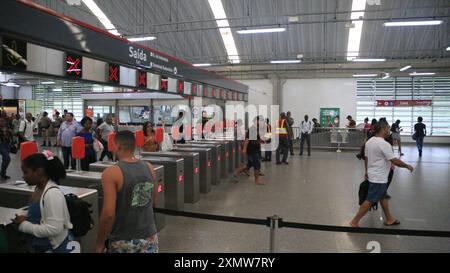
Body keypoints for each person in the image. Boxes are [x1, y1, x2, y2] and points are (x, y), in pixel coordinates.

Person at [96, 130, 159, 253]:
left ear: (117, 146)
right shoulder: (149, 167)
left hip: (123, 240)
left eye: (113, 145)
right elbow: (153, 201)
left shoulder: (111, 173)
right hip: (150, 237)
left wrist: (100, 241)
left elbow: (108, 213)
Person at [350, 121, 414, 228]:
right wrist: (407, 165)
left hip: (373, 174)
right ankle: (354, 221)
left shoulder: (369, 142)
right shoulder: (384, 144)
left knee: (383, 196)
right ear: (383, 129)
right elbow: (394, 160)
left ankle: (389, 219)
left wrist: (366, 171)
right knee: (370, 200)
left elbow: (366, 158)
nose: (389, 131)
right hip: (379, 177)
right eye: (388, 129)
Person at [12, 151, 76, 253]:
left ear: (39, 171)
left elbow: (54, 228)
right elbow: (41, 214)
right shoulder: (38, 188)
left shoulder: (52, 194)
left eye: (26, 172)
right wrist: (28, 218)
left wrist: (24, 225)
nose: (23, 177)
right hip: (41, 246)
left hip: (54, 248)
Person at [234, 117, 265, 185]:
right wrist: (244, 149)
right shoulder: (252, 129)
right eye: (261, 121)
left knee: (250, 164)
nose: (262, 123)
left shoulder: (256, 129)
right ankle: (257, 180)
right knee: (256, 164)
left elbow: (257, 139)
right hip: (252, 150)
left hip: (256, 149)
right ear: (256, 121)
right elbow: (247, 139)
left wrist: (262, 140)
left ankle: (237, 172)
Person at [0, 115, 12, 180]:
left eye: (3, 121)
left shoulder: (6, 127)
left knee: (5, 159)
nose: (2, 122)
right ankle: (2, 173)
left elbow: (9, 135)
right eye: (1, 121)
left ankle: (3, 173)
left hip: (7, 145)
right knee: (7, 158)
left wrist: (10, 132)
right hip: (1, 145)